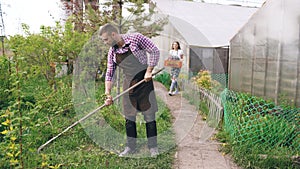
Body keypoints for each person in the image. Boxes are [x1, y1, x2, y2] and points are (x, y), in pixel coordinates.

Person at [99, 23, 160, 157]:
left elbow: (154, 50)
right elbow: (110, 73)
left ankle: (153, 147)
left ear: (113, 34)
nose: (105, 43)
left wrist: (149, 71)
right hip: (129, 85)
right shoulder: (113, 52)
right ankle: (130, 147)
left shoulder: (136, 39)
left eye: (106, 39)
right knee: (129, 117)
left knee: (149, 116)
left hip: (145, 82)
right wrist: (107, 94)